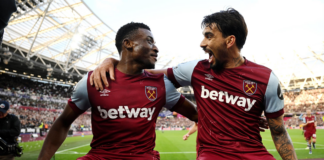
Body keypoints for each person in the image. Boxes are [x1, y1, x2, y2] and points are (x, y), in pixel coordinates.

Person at [91, 8, 297, 160]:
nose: (202, 43)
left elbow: (279, 133)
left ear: (229, 41)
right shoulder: (197, 70)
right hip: (212, 155)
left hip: (255, 155)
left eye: (209, 36)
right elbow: (142, 73)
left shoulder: (266, 79)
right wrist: (112, 61)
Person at [37, 22, 198, 160]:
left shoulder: (161, 84)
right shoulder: (92, 81)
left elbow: (197, 115)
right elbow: (63, 122)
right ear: (128, 43)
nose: (156, 48)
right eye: (149, 41)